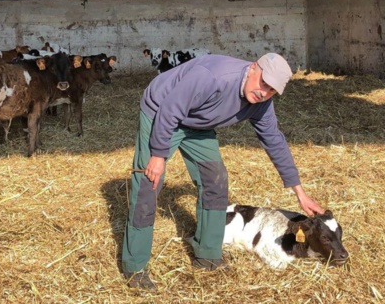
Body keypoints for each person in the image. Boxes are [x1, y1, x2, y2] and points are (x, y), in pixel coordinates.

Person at [122, 53, 325, 290]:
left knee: (215, 180)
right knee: (149, 184)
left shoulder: (260, 102)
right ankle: (134, 268)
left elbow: (274, 141)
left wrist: (299, 192)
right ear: (252, 69)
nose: (264, 92)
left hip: (197, 123)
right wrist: (158, 154)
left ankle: (207, 254)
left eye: (271, 90)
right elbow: (170, 108)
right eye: (263, 83)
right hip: (161, 111)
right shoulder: (213, 78)